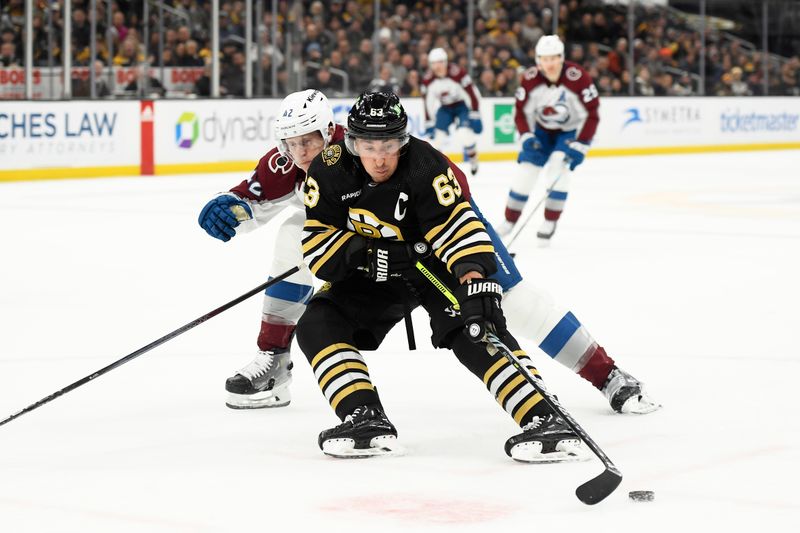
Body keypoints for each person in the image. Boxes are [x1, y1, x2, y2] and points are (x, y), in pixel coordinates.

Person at [295, 91, 591, 462]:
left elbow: (459, 226)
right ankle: (365, 417)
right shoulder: (328, 170)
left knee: (474, 324)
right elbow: (317, 245)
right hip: (373, 272)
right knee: (316, 322)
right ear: (352, 143)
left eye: (388, 143)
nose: (379, 156)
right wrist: (366, 253)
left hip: (431, 267)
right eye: (369, 145)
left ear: (403, 140)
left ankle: (546, 416)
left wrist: (473, 278)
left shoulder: (426, 166)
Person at [197, 89, 346, 409]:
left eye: (308, 140)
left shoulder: (359, 151)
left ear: (329, 132)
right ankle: (274, 359)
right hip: (328, 230)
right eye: (292, 143)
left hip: (380, 235)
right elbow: (251, 198)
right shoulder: (284, 164)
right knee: (292, 235)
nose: (301, 152)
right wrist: (228, 208)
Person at [496, 35, 599, 242]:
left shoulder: (578, 77)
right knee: (525, 173)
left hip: (569, 132)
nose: (549, 64)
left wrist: (582, 144)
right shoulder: (530, 78)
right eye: (545, 59)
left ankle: (550, 220)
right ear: (538, 60)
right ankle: (509, 221)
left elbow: (592, 113)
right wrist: (526, 136)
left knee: (557, 168)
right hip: (541, 132)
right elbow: (520, 112)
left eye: (554, 58)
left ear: (562, 58)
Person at [421, 47, 483, 176]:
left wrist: (475, 113)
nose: (438, 67)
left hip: (462, 106)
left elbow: (472, 93)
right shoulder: (428, 80)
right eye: (434, 64)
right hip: (445, 108)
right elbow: (428, 102)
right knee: (437, 139)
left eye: (440, 63)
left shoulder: (458, 73)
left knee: (464, 133)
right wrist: (429, 122)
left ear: (446, 62)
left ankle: (473, 158)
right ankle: (436, 170)